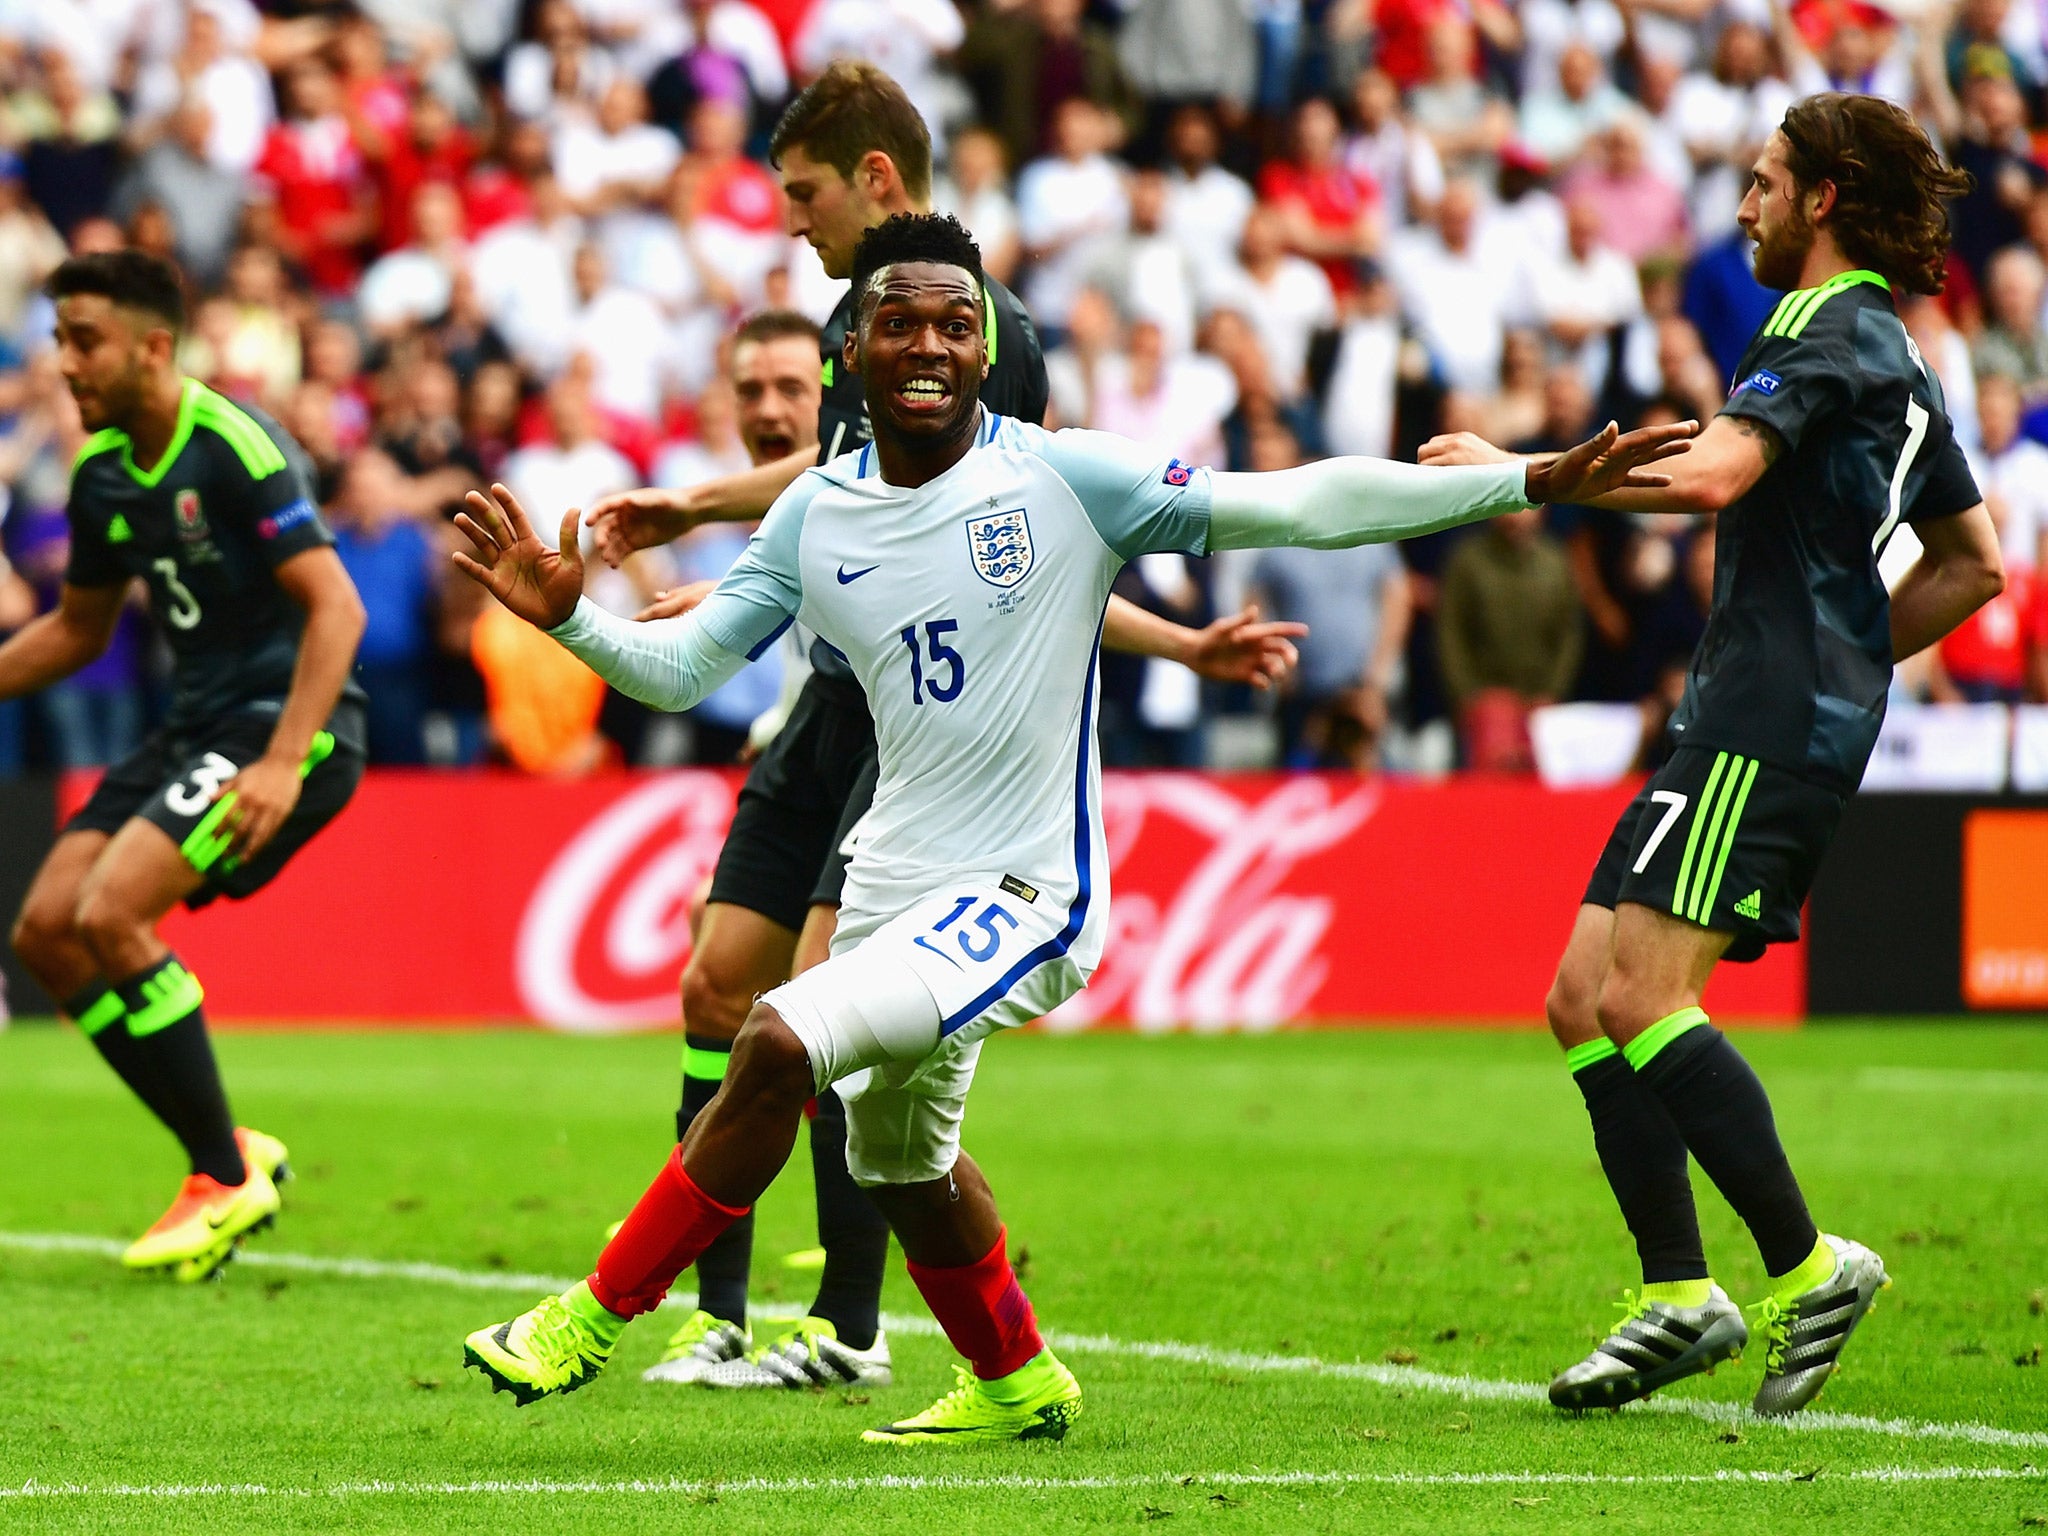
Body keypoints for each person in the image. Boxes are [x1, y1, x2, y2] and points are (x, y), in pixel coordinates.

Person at [454, 210, 1687, 1442]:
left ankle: (588, 1321)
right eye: (899, 324)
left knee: (778, 1040)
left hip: (1023, 893)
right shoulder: (815, 514)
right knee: (900, 1168)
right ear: (853, 356)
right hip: (891, 880)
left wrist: (1521, 479)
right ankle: (1016, 1378)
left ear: (986, 349)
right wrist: (570, 622)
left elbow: (1296, 503)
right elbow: (679, 672)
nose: (930, 344)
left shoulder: (1062, 476)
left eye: (955, 322)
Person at [582, 61, 1307, 1394]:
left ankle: (841, 1330)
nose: (791, 222)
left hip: (919, 738)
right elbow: (836, 494)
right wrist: (727, 543)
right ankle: (726, 1311)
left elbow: (1022, 555)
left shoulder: (979, 334)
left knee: (821, 1023)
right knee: (716, 983)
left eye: (803, 194)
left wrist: (1185, 642)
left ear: (873, 178)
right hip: (829, 697)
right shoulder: (854, 327)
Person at [1423, 93, 2005, 1416]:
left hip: (1759, 716)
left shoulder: (1816, 325)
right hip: (1758, 708)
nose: (1741, 206)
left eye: (1760, 183)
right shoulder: (1897, 353)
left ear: (1824, 201)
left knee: (1640, 1001)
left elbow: (1710, 479)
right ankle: (1680, 1294)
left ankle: (1807, 1267)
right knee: (1583, 996)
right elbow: (1973, 565)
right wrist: (1855, 654)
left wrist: (1520, 476)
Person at [1, 250, 368, 1282]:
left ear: (153, 347)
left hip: (288, 726)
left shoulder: (236, 448)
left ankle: (220, 1172)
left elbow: (338, 608)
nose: (62, 362)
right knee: (47, 935)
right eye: (58, 338)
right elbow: (75, 632)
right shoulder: (104, 474)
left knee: (113, 913)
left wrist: (286, 759)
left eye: (85, 341)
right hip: (192, 726)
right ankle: (229, 1157)